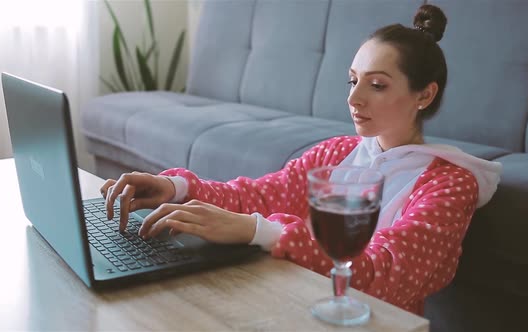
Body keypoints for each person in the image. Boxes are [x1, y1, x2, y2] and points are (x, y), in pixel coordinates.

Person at [100, 4, 502, 315]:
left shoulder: (449, 184)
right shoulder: (337, 152)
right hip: (289, 300)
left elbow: (388, 274)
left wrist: (259, 231)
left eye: (377, 85)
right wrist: (177, 188)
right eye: (353, 80)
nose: (354, 98)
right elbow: (261, 195)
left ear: (424, 95)